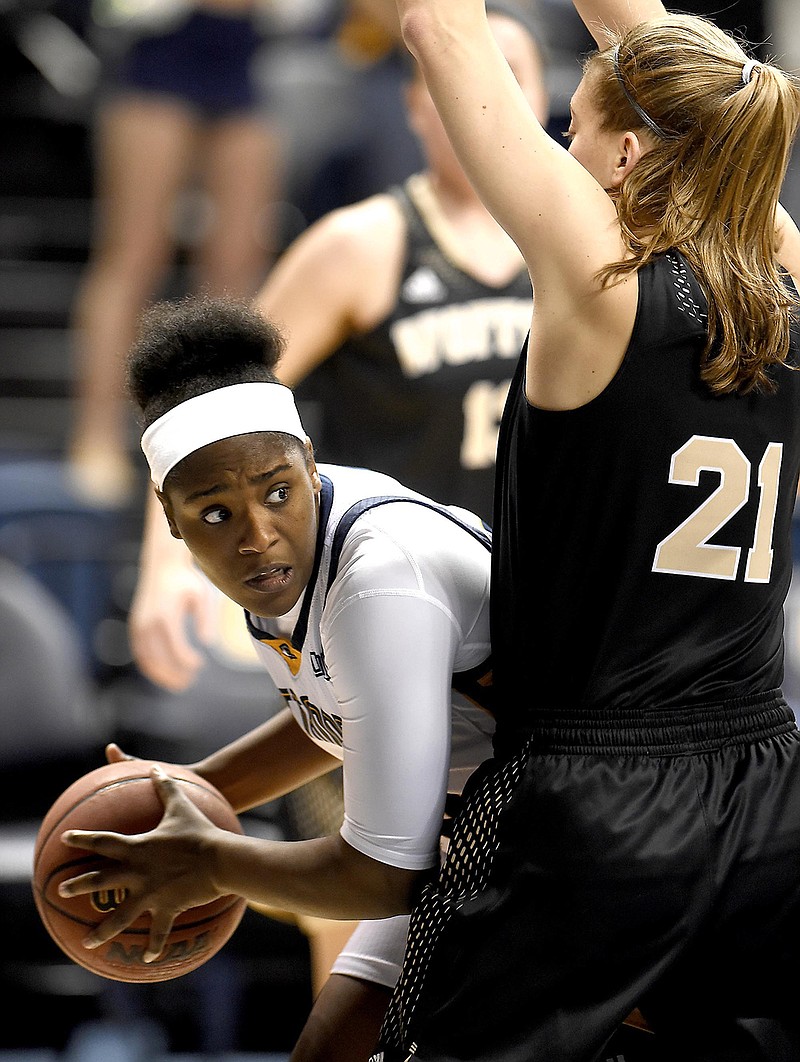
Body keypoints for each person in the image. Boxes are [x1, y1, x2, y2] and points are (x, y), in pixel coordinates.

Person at [356, 0, 800, 1060]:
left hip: (596, 797)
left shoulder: (598, 277)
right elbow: (687, 82)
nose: (558, 146)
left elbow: (439, 27)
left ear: (629, 152)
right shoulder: (785, 275)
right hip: (764, 784)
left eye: (570, 130)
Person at [57, 293, 498, 1062]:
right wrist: (195, 792)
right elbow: (329, 715)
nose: (258, 536)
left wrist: (209, 861)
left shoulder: (376, 578)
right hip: (500, 831)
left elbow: (384, 878)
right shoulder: (291, 558)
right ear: (170, 518)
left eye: (276, 492)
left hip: (599, 830)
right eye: (216, 514)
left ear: (309, 465)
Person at [127, 0, 546, 696]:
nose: (484, 98)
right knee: (380, 800)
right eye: (459, 77)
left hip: (544, 601)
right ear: (416, 104)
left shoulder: (584, 241)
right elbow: (212, 396)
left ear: (541, 96)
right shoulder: (362, 244)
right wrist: (164, 568)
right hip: (385, 599)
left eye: (509, 75)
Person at [67, 0, 281, 506]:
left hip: (242, 61)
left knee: (237, 269)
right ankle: (97, 436)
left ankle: (226, 430)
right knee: (134, 256)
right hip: (159, 59)